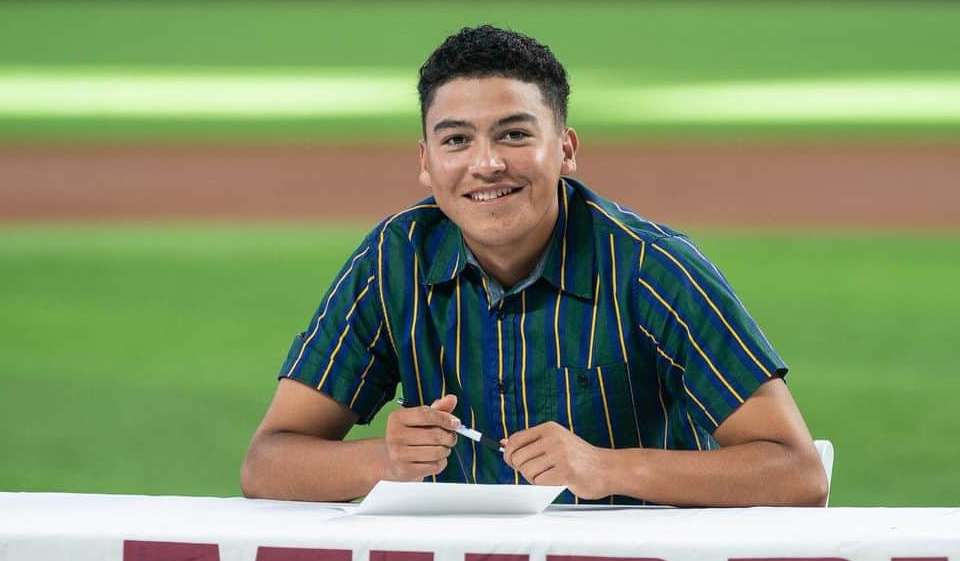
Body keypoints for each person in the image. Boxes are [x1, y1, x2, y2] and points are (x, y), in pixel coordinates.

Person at [241, 25, 827, 507]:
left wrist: (610, 469)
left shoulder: (652, 267)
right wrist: (381, 459)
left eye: (515, 134)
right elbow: (267, 463)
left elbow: (796, 472)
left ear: (566, 149)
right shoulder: (395, 258)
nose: (487, 163)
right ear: (425, 162)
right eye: (456, 142)